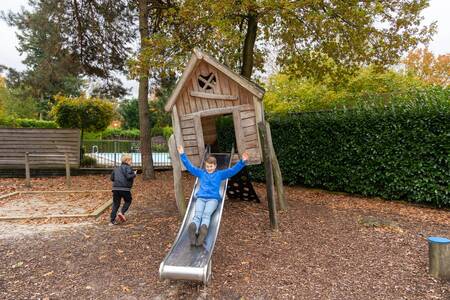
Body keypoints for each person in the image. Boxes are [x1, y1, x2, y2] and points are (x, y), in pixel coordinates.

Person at [177, 145, 249, 246]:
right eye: (207, 166)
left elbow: (232, 171)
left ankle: (202, 229)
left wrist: (242, 162)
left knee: (206, 214)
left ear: (215, 166)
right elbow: (190, 167)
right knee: (198, 215)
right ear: (205, 166)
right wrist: (182, 154)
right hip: (201, 198)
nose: (209, 168)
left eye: (211, 166)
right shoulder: (201, 173)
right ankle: (193, 229)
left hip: (212, 200)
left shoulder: (220, 174)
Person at [109, 154, 137, 225]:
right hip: (125, 189)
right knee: (128, 201)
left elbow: (112, 178)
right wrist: (134, 174)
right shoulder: (128, 168)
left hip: (115, 189)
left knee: (116, 204)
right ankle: (122, 212)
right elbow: (128, 176)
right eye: (131, 160)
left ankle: (112, 221)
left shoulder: (116, 168)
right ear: (127, 160)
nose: (131, 162)